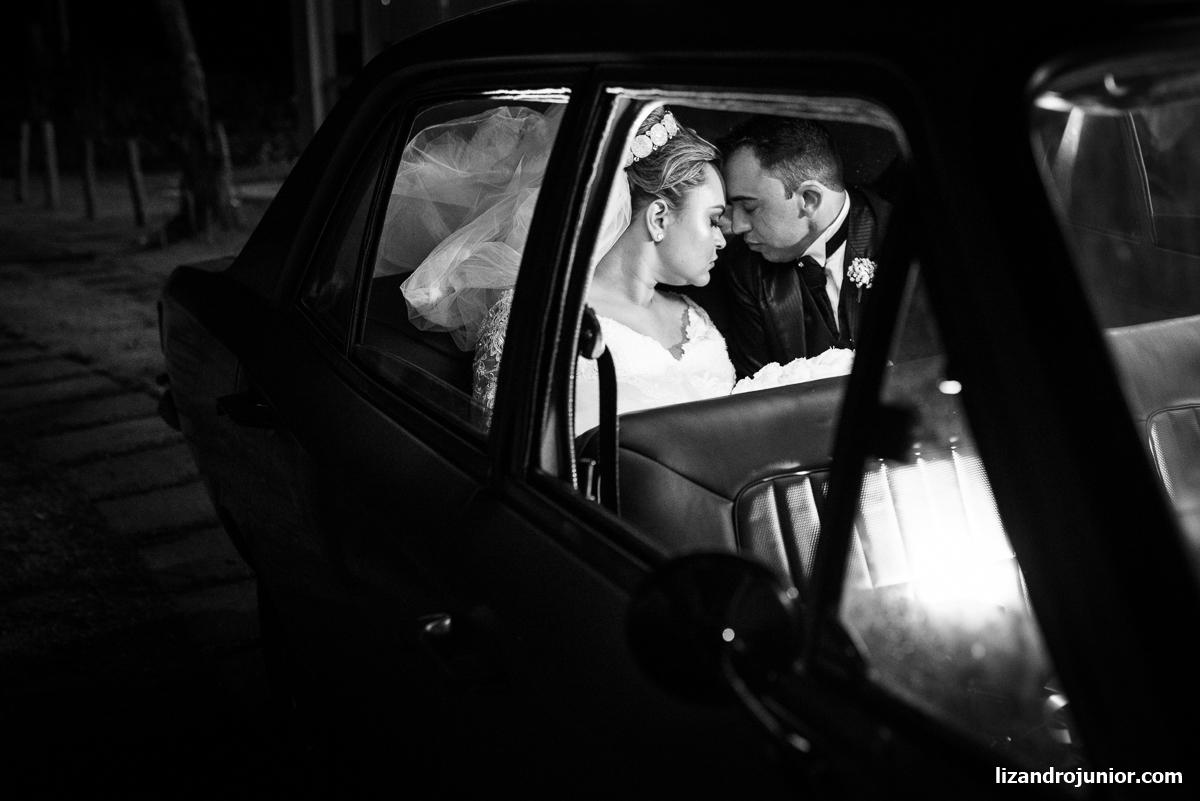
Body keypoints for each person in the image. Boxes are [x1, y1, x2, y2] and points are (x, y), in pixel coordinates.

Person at [473, 107, 735, 431]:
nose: (722, 240)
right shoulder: (537, 317)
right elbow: (506, 445)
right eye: (713, 220)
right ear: (658, 219)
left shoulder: (694, 318)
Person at [720, 116, 891, 378]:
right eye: (733, 207)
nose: (737, 225)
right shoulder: (744, 267)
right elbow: (755, 386)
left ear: (809, 199)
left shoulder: (898, 236)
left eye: (750, 207)